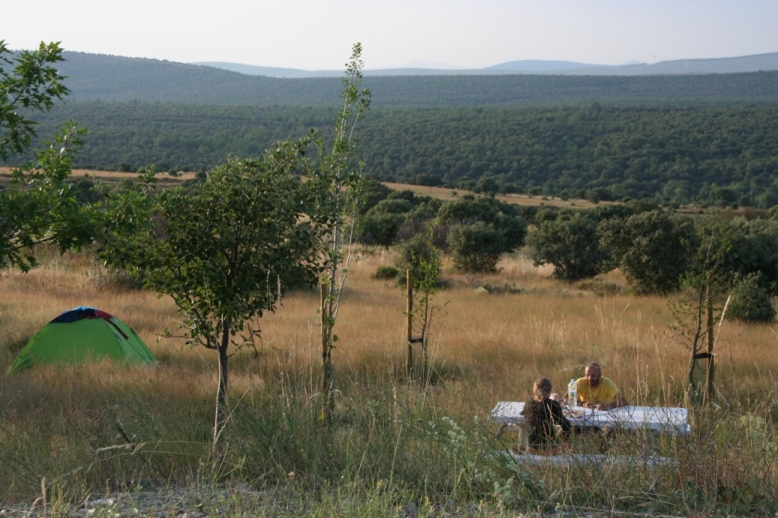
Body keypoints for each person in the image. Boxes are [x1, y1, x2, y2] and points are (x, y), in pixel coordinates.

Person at [521, 377, 571, 452]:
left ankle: (522, 447)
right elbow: (566, 425)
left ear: (534, 390)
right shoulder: (553, 405)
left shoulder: (528, 404)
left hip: (531, 448)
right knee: (566, 446)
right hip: (550, 449)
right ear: (550, 392)